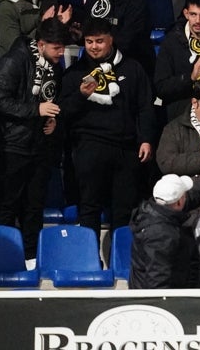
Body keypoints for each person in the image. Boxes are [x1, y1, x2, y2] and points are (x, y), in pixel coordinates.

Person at [56, 18, 155, 237]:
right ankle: (90, 262)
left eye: (99, 41)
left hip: (126, 149)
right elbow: (63, 112)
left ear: (111, 39)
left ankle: (119, 264)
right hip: (89, 148)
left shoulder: (133, 68)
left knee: (124, 210)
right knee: (89, 208)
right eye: (89, 41)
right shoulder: (74, 74)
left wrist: (146, 139)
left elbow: (145, 107)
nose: (93, 46)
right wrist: (81, 96)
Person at [0, 19, 69, 264]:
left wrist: (53, 120)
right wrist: (36, 110)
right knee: (8, 204)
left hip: (40, 146)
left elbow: (53, 101)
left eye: (62, 48)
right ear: (41, 44)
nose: (61, 53)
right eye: (56, 48)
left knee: (34, 206)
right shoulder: (13, 61)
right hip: (12, 145)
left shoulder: (54, 65)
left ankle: (30, 257)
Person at [129, 173, 200, 289]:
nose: (187, 197)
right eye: (185, 195)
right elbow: (158, 282)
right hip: (160, 301)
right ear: (179, 203)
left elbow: (189, 200)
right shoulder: (161, 235)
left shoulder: (151, 211)